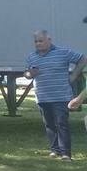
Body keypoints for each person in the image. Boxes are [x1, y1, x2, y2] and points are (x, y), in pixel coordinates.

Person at [24, 30, 86, 161]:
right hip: (42, 96)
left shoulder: (63, 53)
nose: (38, 44)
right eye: (36, 41)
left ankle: (66, 154)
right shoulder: (32, 56)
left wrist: (74, 75)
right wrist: (29, 74)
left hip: (61, 96)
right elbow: (27, 73)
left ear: (49, 40)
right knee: (49, 124)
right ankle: (54, 150)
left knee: (61, 123)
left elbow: (83, 59)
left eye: (41, 41)